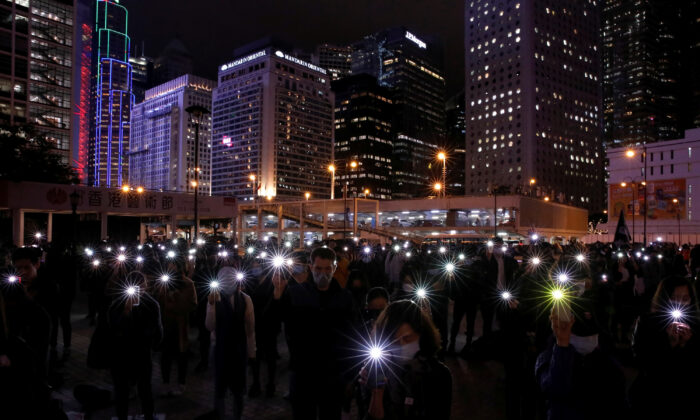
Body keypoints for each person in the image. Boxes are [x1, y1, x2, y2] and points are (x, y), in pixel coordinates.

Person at [272, 247, 354, 420]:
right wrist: (277, 296)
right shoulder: (295, 293)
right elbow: (273, 322)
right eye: (318, 268)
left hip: (333, 373)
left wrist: (349, 375)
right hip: (303, 371)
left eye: (327, 269)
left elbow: (353, 337)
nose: (322, 273)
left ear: (334, 268)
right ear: (310, 267)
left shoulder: (345, 298)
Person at [362, 300, 452, 420]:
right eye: (394, 340)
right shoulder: (376, 370)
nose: (401, 345)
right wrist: (376, 393)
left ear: (422, 335)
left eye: (408, 338)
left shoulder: (438, 374)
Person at [535, 306, 627, 420]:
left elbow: (617, 400)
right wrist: (562, 345)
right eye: (580, 335)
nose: (586, 339)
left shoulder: (606, 360)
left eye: (591, 336)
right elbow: (556, 389)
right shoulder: (548, 357)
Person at [630, 276, 700, 419]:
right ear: (664, 298)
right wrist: (669, 343)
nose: (680, 303)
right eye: (674, 297)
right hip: (654, 394)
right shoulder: (647, 322)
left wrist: (686, 344)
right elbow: (641, 359)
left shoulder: (696, 325)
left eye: (685, 298)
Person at [108, 271, 163, 420]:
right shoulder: (119, 303)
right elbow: (112, 328)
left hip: (133, 353)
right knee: (135, 390)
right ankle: (146, 415)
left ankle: (139, 415)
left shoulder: (150, 304)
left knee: (136, 390)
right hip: (130, 354)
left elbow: (156, 334)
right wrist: (127, 311)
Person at [205, 266, 256, 420]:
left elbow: (250, 328)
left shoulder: (245, 299)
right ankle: (220, 415)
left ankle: (237, 416)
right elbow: (209, 326)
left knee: (238, 390)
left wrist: (251, 351)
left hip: (239, 348)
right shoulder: (213, 298)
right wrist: (212, 306)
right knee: (219, 389)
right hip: (219, 348)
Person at [153, 259, 197, 396]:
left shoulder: (188, 284)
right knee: (165, 355)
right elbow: (157, 300)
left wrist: (175, 300)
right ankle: (165, 382)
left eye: (173, 265)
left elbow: (192, 304)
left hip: (180, 325)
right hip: (166, 324)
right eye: (169, 265)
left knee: (181, 356)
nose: (170, 267)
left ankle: (181, 383)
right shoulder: (163, 282)